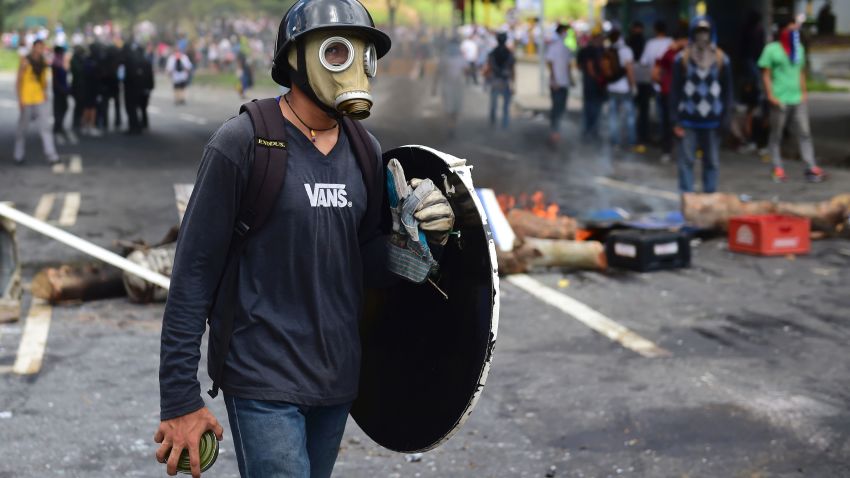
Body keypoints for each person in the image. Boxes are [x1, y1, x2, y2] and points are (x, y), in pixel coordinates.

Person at [153, 2, 455, 478]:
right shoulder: (242, 143)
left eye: (364, 55)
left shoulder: (365, 150)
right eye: (337, 52)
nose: (356, 67)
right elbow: (193, 272)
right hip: (261, 375)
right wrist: (179, 398)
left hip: (336, 379)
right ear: (296, 59)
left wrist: (419, 244)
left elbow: (365, 263)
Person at [669, 16, 733, 193]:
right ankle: (686, 203)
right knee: (686, 163)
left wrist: (726, 117)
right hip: (687, 121)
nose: (702, 36)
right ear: (692, 33)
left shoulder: (722, 59)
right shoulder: (681, 59)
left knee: (711, 162)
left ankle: (709, 202)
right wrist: (674, 120)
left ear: (711, 33)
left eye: (705, 32)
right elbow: (674, 91)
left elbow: (728, 92)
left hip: (713, 121)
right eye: (698, 32)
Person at [759, 15, 826, 183]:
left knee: (804, 132)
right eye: (791, 28)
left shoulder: (798, 49)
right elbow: (765, 74)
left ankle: (810, 166)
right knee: (777, 134)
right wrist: (770, 95)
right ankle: (777, 167)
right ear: (782, 30)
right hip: (779, 99)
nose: (794, 32)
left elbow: (801, 72)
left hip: (797, 99)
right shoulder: (772, 49)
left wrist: (804, 93)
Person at [14, 39, 59, 165]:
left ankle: (51, 156)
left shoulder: (43, 62)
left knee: (45, 128)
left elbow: (44, 81)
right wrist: (20, 99)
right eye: (38, 47)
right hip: (27, 98)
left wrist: (45, 92)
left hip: (40, 98)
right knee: (22, 129)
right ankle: (19, 155)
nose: (40, 50)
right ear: (33, 47)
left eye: (42, 47)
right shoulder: (25, 61)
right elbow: (19, 81)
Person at [653, 25, 689, 163]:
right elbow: (655, 73)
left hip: (672, 92)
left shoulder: (682, 52)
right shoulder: (671, 53)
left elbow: (655, 74)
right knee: (670, 123)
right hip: (670, 93)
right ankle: (668, 150)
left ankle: (676, 151)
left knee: (678, 123)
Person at [636, 21, 672, 154]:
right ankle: (664, 141)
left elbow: (643, 62)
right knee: (664, 115)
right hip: (666, 85)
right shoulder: (671, 43)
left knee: (652, 112)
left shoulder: (650, 44)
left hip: (653, 83)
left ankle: (655, 138)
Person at [604, 29, 637, 150]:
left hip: (611, 87)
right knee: (629, 116)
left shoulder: (608, 50)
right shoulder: (626, 50)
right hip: (624, 88)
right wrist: (633, 85)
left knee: (613, 117)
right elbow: (629, 70)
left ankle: (615, 142)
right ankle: (631, 142)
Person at [577, 26, 606, 141]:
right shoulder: (593, 51)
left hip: (589, 83)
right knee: (593, 108)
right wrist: (597, 77)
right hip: (594, 84)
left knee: (590, 108)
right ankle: (591, 132)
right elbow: (589, 66)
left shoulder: (585, 50)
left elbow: (579, 66)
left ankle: (589, 131)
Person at [546, 24, 573, 145]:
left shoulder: (566, 48)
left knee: (561, 107)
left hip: (564, 83)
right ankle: (554, 131)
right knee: (556, 108)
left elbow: (568, 66)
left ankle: (558, 130)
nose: (567, 33)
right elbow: (550, 64)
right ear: (561, 32)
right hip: (556, 83)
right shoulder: (554, 47)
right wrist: (554, 80)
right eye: (565, 31)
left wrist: (571, 79)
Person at [435, 37, 467, 136]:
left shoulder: (447, 57)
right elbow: (438, 72)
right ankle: (451, 127)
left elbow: (438, 73)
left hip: (453, 86)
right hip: (451, 86)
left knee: (452, 108)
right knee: (451, 108)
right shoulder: (456, 57)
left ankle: (451, 126)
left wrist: (434, 87)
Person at [484, 32, 515, 130]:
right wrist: (513, 84)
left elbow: (488, 68)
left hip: (495, 81)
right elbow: (513, 71)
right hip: (505, 81)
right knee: (505, 106)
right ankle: (504, 125)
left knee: (494, 104)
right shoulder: (510, 54)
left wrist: (486, 80)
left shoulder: (492, 53)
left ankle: (493, 122)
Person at [51, 45, 72, 145]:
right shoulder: (56, 63)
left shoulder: (60, 62)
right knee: (59, 108)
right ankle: (57, 127)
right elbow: (56, 80)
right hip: (59, 90)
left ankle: (59, 126)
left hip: (63, 89)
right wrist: (61, 89)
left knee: (64, 107)